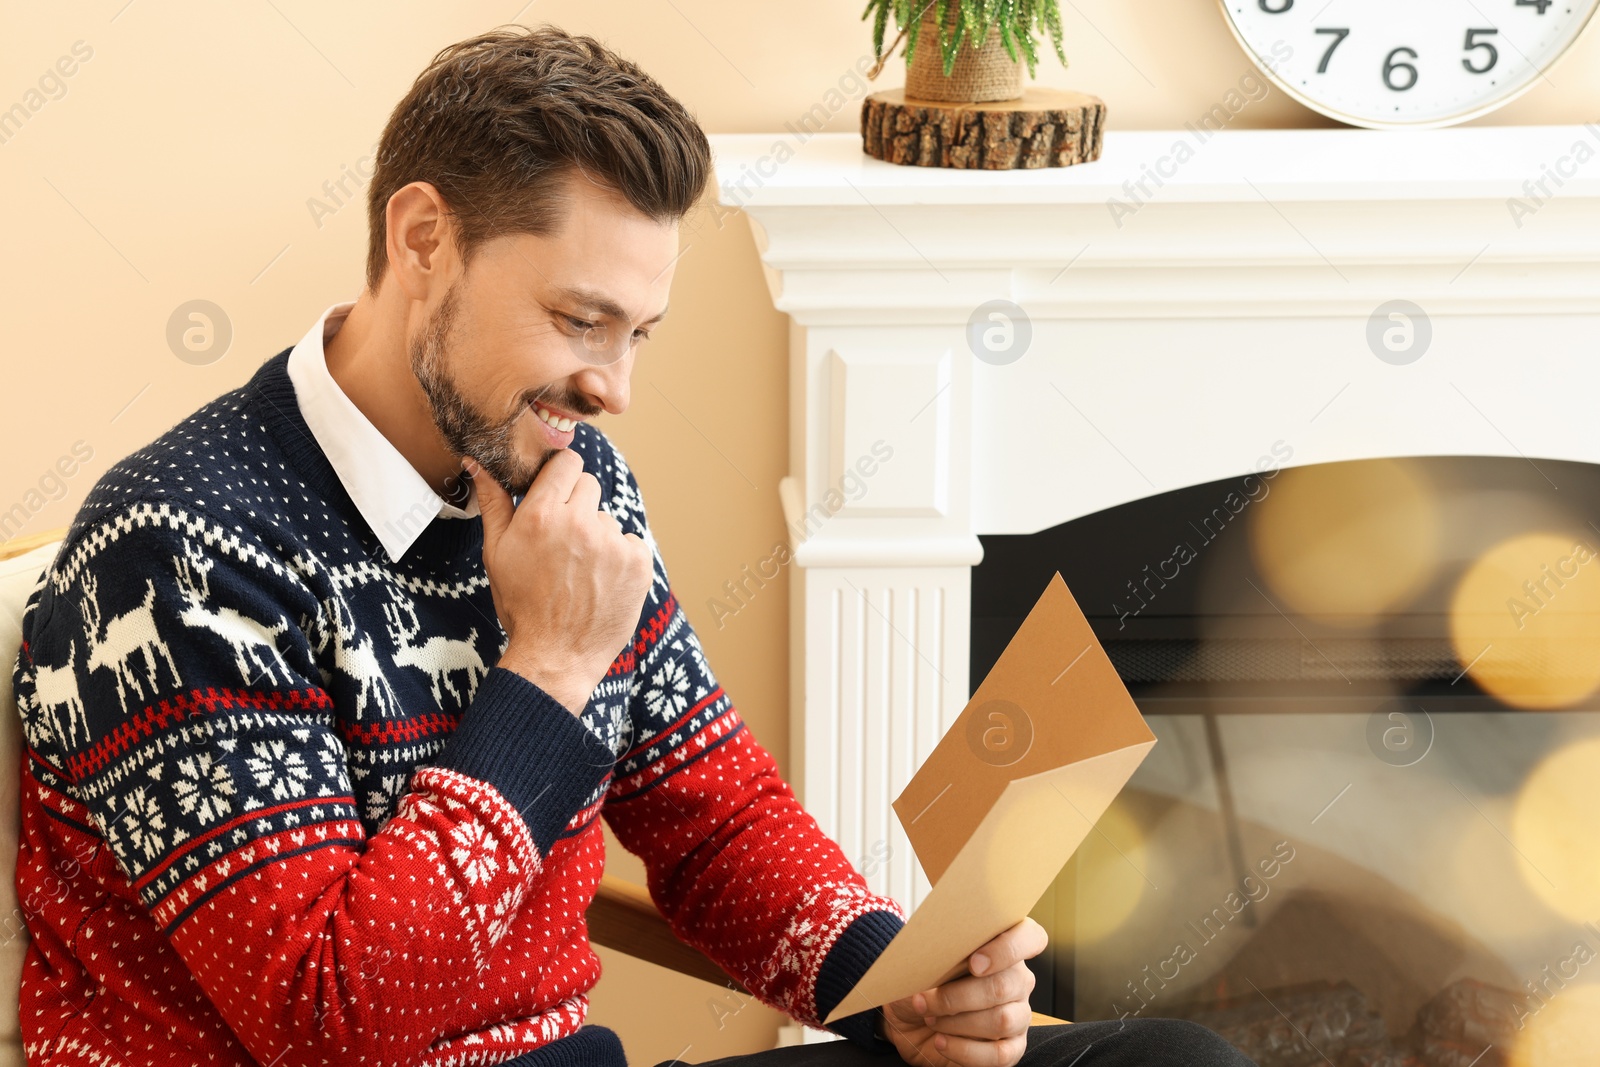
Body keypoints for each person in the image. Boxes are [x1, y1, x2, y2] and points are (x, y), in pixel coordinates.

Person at [11, 24, 1253, 1067]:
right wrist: (547, 669)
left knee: (1169, 1059)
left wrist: (890, 984)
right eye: (576, 319)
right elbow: (336, 1022)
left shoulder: (560, 472)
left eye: (639, 332)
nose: (610, 386)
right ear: (422, 237)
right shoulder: (178, 550)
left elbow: (712, 817)